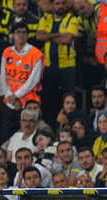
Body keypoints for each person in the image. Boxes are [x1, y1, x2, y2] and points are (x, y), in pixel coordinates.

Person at [36, 0, 79, 129]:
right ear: (53, 5)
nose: (60, 6)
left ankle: (70, 127)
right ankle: (51, 128)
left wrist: (48, 36)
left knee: (69, 99)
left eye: (62, 3)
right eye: (57, 3)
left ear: (66, 5)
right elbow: (38, 36)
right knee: (50, 100)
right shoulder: (46, 18)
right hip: (49, 66)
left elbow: (67, 39)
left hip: (67, 66)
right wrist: (58, 35)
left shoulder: (72, 18)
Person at [0, 22, 44, 142]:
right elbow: (3, 77)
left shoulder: (35, 54)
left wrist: (16, 96)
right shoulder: (7, 52)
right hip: (9, 102)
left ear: (28, 35)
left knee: (26, 136)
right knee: (5, 137)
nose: (21, 35)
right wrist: (10, 97)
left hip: (27, 104)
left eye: (24, 32)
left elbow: (33, 81)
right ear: (12, 35)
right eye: (18, 32)